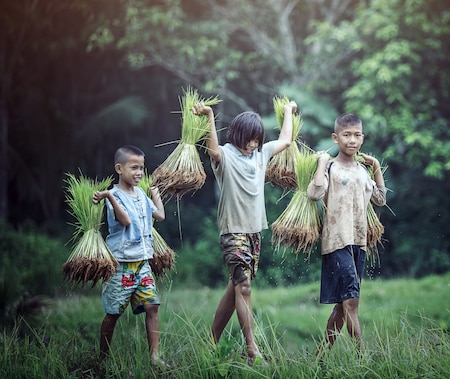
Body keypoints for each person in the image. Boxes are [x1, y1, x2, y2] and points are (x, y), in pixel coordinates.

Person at [192, 100, 298, 364]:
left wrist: (288, 113)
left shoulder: (261, 154)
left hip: (253, 231)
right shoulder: (226, 155)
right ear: (238, 135)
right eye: (249, 140)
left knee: (236, 287)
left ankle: (210, 343)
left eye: (256, 140)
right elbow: (213, 150)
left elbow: (285, 140)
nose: (252, 145)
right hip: (233, 231)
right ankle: (253, 350)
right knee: (245, 287)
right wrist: (209, 117)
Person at [307, 113, 387, 355]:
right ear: (336, 137)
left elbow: (380, 199)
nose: (352, 140)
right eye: (346, 135)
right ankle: (362, 359)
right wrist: (321, 164)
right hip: (337, 242)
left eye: (357, 135)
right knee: (351, 301)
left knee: (343, 307)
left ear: (362, 138)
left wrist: (375, 167)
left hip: (358, 243)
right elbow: (314, 194)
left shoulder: (363, 171)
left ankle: (319, 360)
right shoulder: (331, 167)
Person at [92, 145, 167, 367]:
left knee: (152, 306)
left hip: (142, 262)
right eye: (134, 167)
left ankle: (154, 357)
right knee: (113, 313)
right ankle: (103, 358)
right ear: (119, 168)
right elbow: (125, 221)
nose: (139, 173)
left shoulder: (141, 194)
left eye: (142, 168)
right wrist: (108, 196)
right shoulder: (113, 195)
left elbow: (160, 215)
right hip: (121, 265)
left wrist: (155, 194)